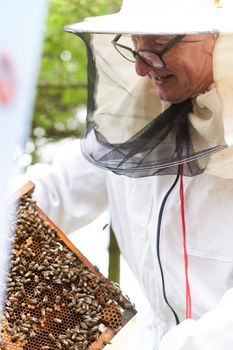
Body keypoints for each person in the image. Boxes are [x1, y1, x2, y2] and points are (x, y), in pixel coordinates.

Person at [23, 0, 233, 349]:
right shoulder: (135, 119)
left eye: (156, 44)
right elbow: (53, 193)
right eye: (134, 44)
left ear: (217, 38)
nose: (139, 67)